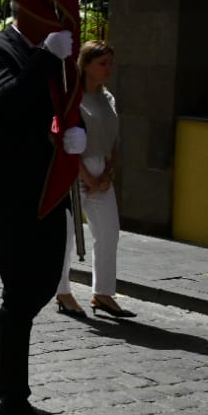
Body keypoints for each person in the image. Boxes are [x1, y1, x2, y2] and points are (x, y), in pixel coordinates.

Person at [0, 7, 87, 415]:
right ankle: (14, 402)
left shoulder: (57, 58)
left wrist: (79, 132)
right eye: (48, 11)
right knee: (19, 293)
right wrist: (46, 58)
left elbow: (66, 103)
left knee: (46, 283)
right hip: (8, 188)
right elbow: (9, 103)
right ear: (22, 9)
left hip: (50, 186)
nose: (58, 19)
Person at [54, 42, 133, 318]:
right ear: (86, 65)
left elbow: (114, 138)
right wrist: (87, 176)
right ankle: (63, 291)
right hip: (75, 172)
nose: (108, 68)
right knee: (67, 235)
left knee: (109, 231)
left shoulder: (108, 98)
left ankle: (103, 293)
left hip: (102, 172)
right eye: (102, 63)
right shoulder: (72, 98)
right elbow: (65, 140)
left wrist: (108, 172)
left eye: (110, 62)